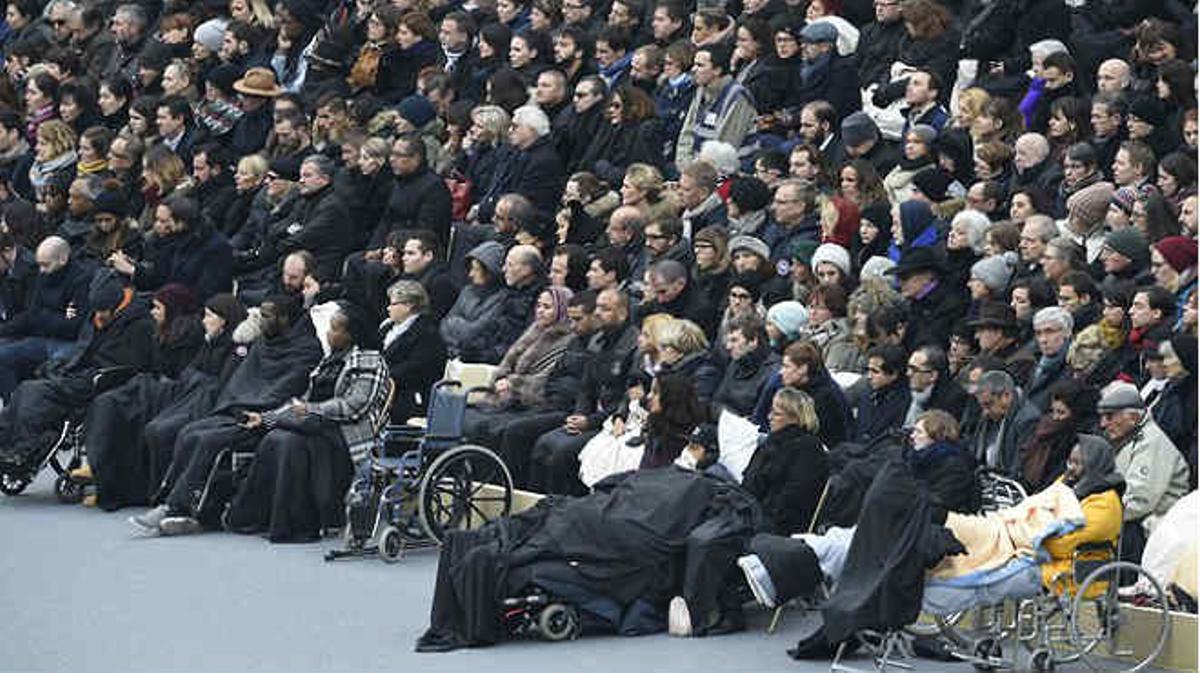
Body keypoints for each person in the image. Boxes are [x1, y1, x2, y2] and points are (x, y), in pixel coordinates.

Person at [129, 293, 323, 536]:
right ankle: (170, 500)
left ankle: (180, 507)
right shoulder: (264, 343)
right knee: (190, 431)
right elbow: (242, 379)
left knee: (206, 440)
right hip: (238, 408)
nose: (260, 321)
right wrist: (235, 403)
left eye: (266, 316)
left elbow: (286, 388)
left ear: (285, 318)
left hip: (266, 419)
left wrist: (256, 410)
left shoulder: (306, 349)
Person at [226, 302, 391, 542]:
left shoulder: (370, 362)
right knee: (276, 437)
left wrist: (312, 410)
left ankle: (298, 526)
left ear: (350, 334)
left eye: (335, 329)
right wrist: (265, 418)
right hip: (316, 426)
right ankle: (258, 518)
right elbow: (301, 402)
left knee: (291, 443)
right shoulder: (329, 360)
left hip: (347, 434)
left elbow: (354, 407)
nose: (328, 333)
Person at [1096, 383, 1190, 564]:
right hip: (1129, 520)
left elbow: (1139, 501)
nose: (1103, 424)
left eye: (1109, 417)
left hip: (1149, 531)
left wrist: (1097, 512)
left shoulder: (1152, 443)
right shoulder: (1126, 437)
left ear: (1132, 417)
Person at [743, 386, 828, 535]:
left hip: (774, 524)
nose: (769, 417)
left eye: (776, 414)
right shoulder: (772, 442)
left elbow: (791, 500)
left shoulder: (808, 450)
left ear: (795, 418)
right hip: (752, 511)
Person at [380, 280, 446, 424]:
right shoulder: (386, 329)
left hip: (410, 395)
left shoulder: (427, 333)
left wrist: (383, 375)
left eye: (393, 304)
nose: (388, 308)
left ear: (409, 305)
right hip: (384, 387)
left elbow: (417, 367)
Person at [966, 370, 1040, 479]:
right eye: (982, 406)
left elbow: (1017, 469)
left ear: (1006, 396)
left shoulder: (1027, 420)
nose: (985, 411)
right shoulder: (989, 416)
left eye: (989, 404)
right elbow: (974, 452)